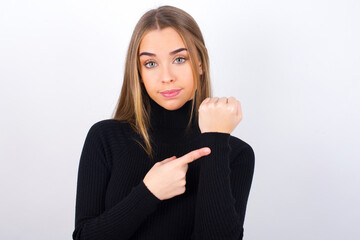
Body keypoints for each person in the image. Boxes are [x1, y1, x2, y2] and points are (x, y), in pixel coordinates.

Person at [72, 5, 255, 240]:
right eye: (151, 63)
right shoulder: (106, 138)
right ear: (138, 71)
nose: (166, 76)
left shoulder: (236, 154)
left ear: (200, 64)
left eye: (179, 59)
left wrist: (217, 141)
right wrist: (149, 192)